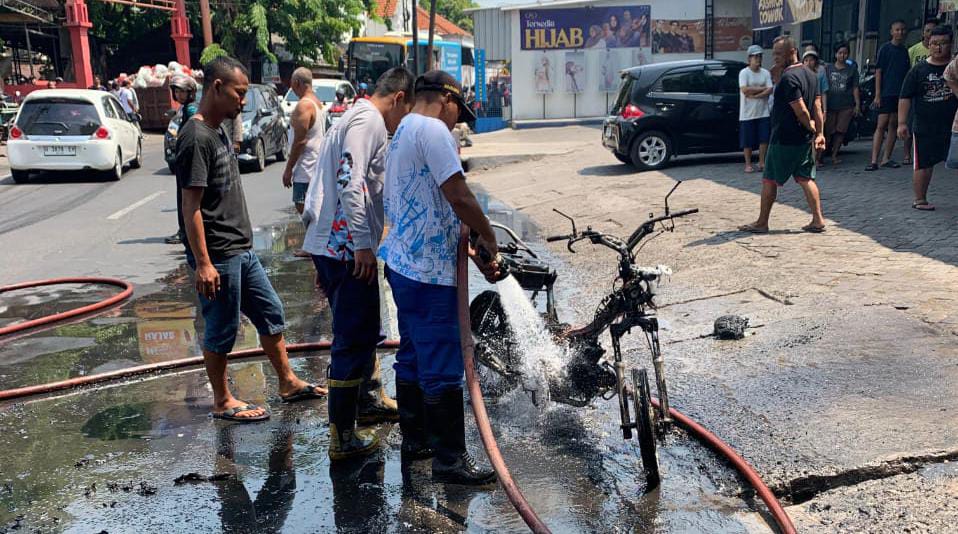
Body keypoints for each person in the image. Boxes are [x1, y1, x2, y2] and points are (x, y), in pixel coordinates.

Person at [174, 55, 325, 423]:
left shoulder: (219, 130)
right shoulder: (195, 137)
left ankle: (287, 382)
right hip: (219, 254)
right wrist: (204, 263)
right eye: (239, 93)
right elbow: (190, 206)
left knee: (270, 312)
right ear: (217, 87)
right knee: (222, 328)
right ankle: (222, 399)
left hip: (241, 248)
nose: (243, 101)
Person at [378, 70, 501, 486]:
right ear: (446, 99)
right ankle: (449, 461)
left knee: (413, 354)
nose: (456, 120)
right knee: (443, 365)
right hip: (428, 272)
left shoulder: (403, 129)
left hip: (404, 264)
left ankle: (417, 442)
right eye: (456, 111)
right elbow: (458, 195)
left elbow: (430, 199)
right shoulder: (433, 130)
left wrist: (468, 244)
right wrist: (488, 234)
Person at [301, 67, 414, 461]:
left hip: (337, 247)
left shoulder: (355, 116)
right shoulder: (369, 122)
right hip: (347, 249)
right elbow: (350, 181)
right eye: (406, 112)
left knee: (363, 332)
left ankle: (366, 404)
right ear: (399, 98)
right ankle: (343, 437)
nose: (403, 123)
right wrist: (364, 244)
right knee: (352, 340)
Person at [739, 35, 826, 234]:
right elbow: (817, 107)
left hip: (784, 138)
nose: (775, 57)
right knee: (805, 178)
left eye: (779, 53)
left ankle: (762, 222)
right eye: (774, 53)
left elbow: (801, 109)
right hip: (803, 140)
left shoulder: (789, 78)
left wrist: (812, 128)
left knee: (769, 179)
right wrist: (819, 133)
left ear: (792, 52)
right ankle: (818, 219)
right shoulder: (811, 74)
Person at [897, 26, 957, 211]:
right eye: (934, 43)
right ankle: (920, 199)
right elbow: (905, 97)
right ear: (928, 44)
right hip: (925, 125)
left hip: (953, 125)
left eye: (943, 43)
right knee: (923, 163)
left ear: (951, 44)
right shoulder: (918, 70)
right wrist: (901, 123)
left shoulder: (955, 66)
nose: (938, 47)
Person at [282, 67, 326, 217]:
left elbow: (300, 141)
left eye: (292, 84)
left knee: (305, 209)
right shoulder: (317, 103)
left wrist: (288, 169)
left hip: (306, 169)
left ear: (297, 82)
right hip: (315, 166)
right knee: (313, 212)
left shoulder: (304, 105)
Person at [867, 20, 910, 171]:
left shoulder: (904, 51)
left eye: (902, 30)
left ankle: (886, 158)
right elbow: (878, 72)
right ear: (891, 32)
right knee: (881, 124)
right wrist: (878, 94)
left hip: (900, 94)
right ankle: (874, 160)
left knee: (894, 125)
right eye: (897, 30)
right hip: (886, 92)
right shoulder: (885, 49)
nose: (900, 32)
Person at [165, 73, 200, 246]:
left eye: (182, 91)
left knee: (185, 198)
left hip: (188, 159)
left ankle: (185, 232)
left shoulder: (191, 109)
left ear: (190, 92)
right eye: (176, 92)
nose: (178, 95)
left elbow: (193, 128)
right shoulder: (185, 108)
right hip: (184, 158)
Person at [904, 19, 938, 165]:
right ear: (923, 33)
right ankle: (907, 153)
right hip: (916, 92)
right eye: (928, 31)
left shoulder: (938, 50)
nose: (930, 34)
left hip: (933, 92)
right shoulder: (913, 50)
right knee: (911, 124)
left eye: (933, 31)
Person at [739, 45, 773, 173]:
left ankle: (761, 162)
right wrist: (762, 89)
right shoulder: (744, 73)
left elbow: (770, 89)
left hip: (763, 111)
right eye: (755, 57)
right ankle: (748, 164)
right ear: (749, 59)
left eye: (760, 56)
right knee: (747, 140)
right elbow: (745, 89)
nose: (758, 59)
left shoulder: (765, 73)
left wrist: (756, 95)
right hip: (747, 113)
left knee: (764, 138)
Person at [824, 43, 861, 165]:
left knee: (841, 131)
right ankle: (822, 155)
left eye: (845, 53)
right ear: (835, 54)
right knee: (828, 131)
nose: (842, 55)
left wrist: (857, 104)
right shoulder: (828, 68)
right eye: (840, 53)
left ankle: (835, 155)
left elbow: (855, 88)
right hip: (830, 105)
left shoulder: (852, 70)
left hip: (846, 105)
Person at [802, 47, 829, 165]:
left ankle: (816, 158)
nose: (808, 63)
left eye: (811, 60)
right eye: (806, 60)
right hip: (804, 108)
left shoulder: (820, 74)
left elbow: (823, 93)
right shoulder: (800, 75)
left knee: (817, 133)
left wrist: (825, 110)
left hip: (816, 108)